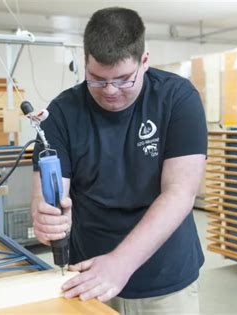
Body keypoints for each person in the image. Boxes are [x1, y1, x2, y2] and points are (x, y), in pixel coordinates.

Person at [31, 7, 207, 315]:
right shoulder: (61, 115)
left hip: (166, 280)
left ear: (145, 61)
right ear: (84, 63)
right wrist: (46, 219)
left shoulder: (177, 99)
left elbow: (180, 192)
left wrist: (120, 263)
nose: (110, 91)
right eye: (96, 80)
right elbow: (48, 195)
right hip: (88, 281)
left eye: (123, 79)